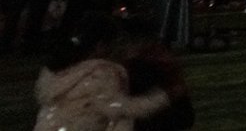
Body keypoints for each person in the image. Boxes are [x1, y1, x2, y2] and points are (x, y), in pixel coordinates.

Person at [33, 12, 171, 131]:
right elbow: (118, 108)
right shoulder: (101, 72)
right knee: (122, 120)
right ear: (101, 45)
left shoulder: (57, 70)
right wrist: (162, 97)